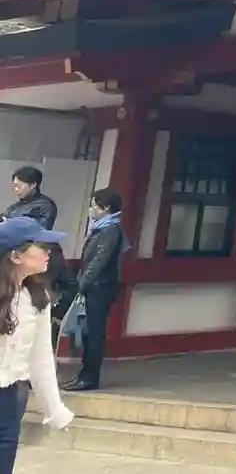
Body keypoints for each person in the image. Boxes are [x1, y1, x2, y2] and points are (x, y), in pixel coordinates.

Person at [0, 216, 74, 472]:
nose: (48, 252)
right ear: (15, 256)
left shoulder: (37, 297)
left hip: (11, 397)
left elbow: (41, 358)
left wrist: (55, 410)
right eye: (41, 246)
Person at [62, 188, 129, 393]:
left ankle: (89, 377)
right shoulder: (100, 228)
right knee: (88, 332)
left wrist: (81, 285)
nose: (91, 209)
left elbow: (98, 261)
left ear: (106, 208)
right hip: (94, 285)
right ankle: (84, 374)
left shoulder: (110, 230)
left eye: (94, 206)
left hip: (101, 287)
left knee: (94, 333)